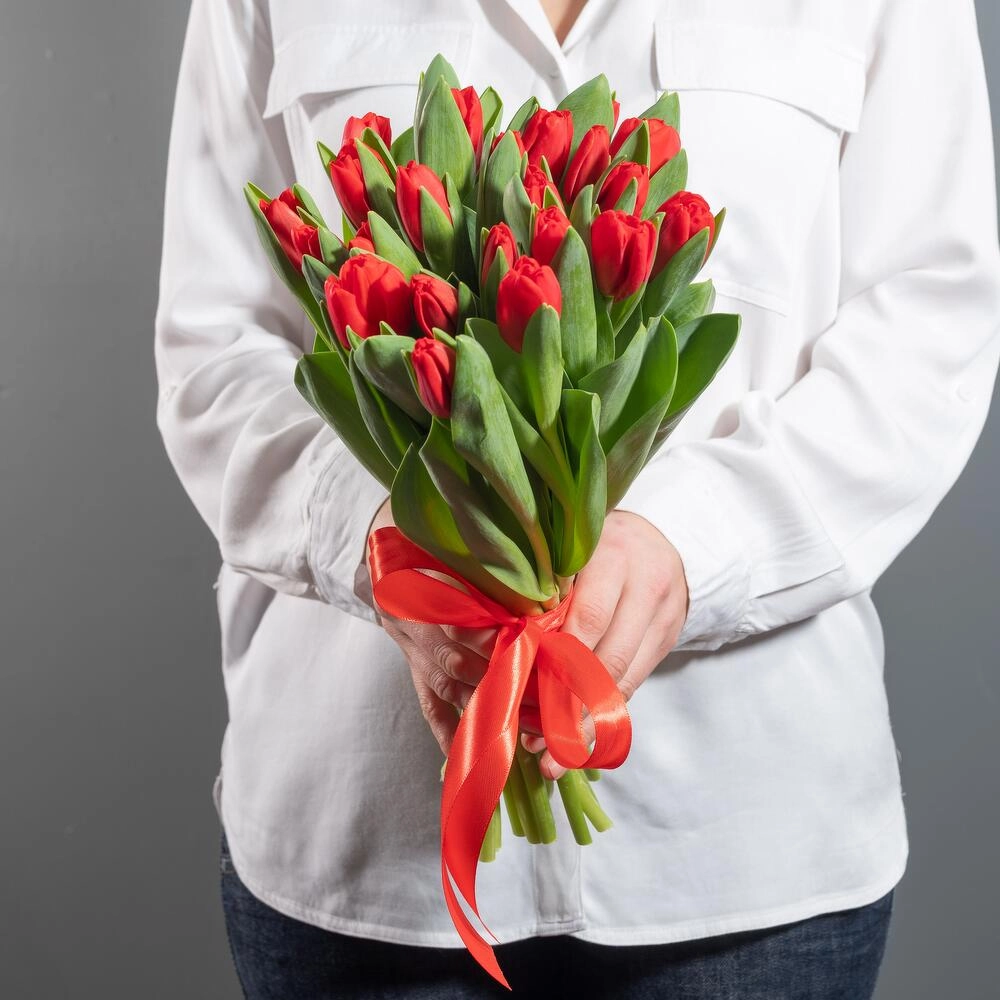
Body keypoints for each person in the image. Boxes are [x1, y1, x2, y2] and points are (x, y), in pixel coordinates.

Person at [154, 0, 1000, 996]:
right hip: (361, 843)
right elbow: (216, 352)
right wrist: (389, 549)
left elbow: (929, 329)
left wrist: (692, 546)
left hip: (747, 854)